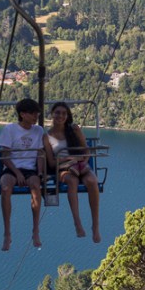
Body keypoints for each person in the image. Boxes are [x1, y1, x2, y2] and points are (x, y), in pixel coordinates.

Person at [0, 98, 51, 251]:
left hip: (30, 169)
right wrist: (17, 173)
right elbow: (4, 156)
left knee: (36, 188)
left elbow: (40, 154)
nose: (36, 116)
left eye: (37, 114)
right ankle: (7, 233)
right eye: (33, 113)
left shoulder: (38, 130)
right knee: (5, 188)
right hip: (12, 168)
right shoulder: (10, 129)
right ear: (22, 114)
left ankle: (36, 230)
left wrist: (40, 172)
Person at [45, 101, 102, 243]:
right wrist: (67, 159)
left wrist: (82, 161)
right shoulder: (47, 136)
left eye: (64, 113)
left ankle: (95, 225)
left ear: (67, 116)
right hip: (63, 168)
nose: (60, 116)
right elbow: (51, 162)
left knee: (92, 181)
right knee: (72, 181)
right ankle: (77, 222)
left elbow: (86, 150)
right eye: (57, 113)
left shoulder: (74, 130)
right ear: (52, 114)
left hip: (80, 164)